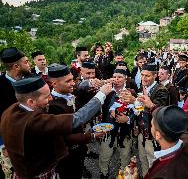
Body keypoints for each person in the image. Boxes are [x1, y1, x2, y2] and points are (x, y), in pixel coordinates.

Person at [0, 76, 113, 178]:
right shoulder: (33, 122)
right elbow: (77, 119)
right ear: (30, 101)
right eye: (46, 97)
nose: (51, 99)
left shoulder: (12, 110)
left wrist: (91, 136)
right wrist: (101, 95)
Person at [48, 64, 101, 179]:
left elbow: (82, 86)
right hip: (66, 157)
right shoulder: (52, 106)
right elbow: (65, 138)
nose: (73, 83)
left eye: (72, 79)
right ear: (54, 84)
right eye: (68, 81)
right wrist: (91, 136)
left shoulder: (71, 92)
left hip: (79, 151)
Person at [99, 69, 136, 179]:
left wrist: (128, 119)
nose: (116, 79)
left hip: (125, 133)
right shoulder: (106, 91)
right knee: (104, 157)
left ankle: (122, 176)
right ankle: (104, 174)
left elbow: (138, 111)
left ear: (125, 78)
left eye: (119, 77)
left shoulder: (131, 93)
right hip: (107, 131)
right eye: (114, 77)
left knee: (125, 158)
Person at [0, 47, 31, 178]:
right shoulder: (0, 86)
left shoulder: (31, 80)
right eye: (26, 62)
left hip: (31, 137)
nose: (29, 64)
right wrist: (3, 145)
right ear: (17, 67)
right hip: (11, 143)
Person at [144, 105, 188, 179]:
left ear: (158, 135)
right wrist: (152, 106)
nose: (150, 127)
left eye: (151, 125)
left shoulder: (163, 174)